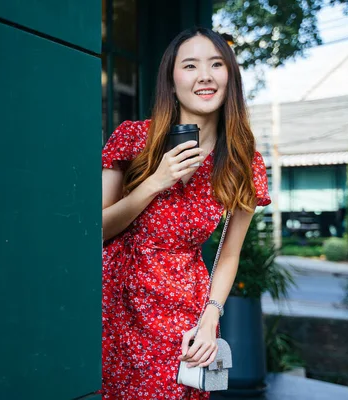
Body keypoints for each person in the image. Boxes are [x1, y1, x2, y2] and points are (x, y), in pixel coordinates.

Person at [101, 27, 271, 399]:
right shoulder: (132, 138)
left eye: (216, 65)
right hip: (112, 306)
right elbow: (95, 229)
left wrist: (212, 316)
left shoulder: (243, 164)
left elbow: (229, 253)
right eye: (190, 65)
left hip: (183, 311)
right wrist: (154, 182)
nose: (205, 76)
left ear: (230, 77)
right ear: (172, 79)